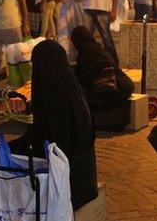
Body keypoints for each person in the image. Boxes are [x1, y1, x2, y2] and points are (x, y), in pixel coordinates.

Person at [9, 40, 98, 210]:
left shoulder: (56, 102)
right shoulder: (73, 92)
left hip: (69, 186)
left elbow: (47, 146)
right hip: (84, 177)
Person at [71, 25, 134, 112]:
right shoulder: (98, 48)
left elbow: (83, 77)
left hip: (117, 88)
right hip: (127, 85)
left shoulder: (85, 51)